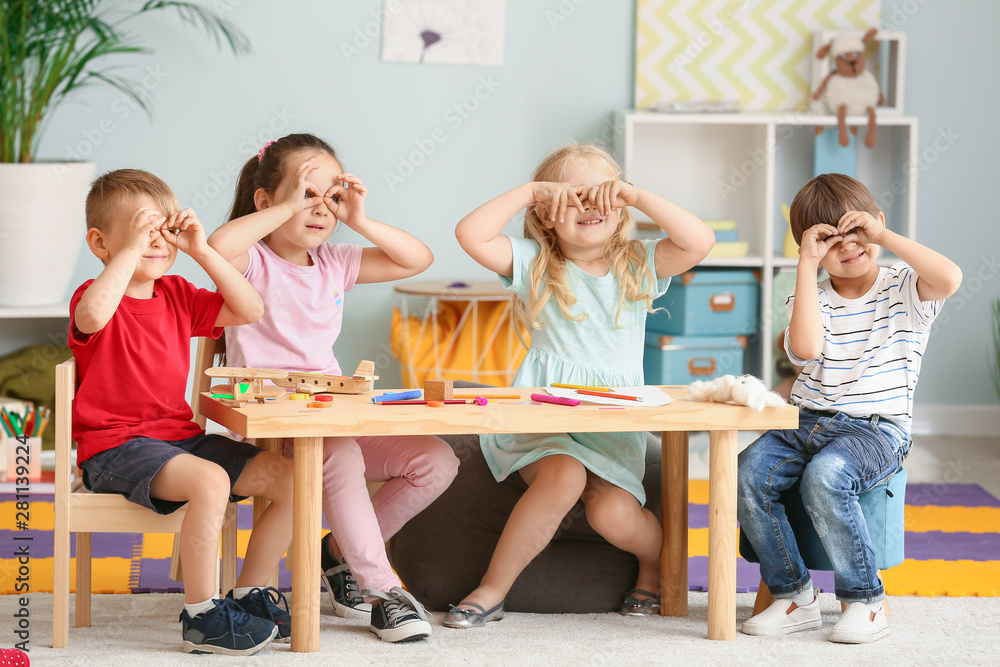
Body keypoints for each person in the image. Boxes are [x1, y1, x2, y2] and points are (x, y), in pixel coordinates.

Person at [445, 143, 715, 628]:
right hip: (545, 417)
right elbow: (471, 233)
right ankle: (493, 589)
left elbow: (699, 241)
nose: (590, 206)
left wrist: (635, 195)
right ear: (545, 214)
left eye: (602, 195)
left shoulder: (639, 262)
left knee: (611, 512)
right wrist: (530, 190)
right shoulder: (533, 262)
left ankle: (652, 565)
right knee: (565, 474)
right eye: (572, 198)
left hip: (611, 425)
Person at [208, 133, 459, 643]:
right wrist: (283, 208)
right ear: (265, 202)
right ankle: (382, 592)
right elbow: (217, 246)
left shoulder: (336, 262)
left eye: (332, 197)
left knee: (436, 460)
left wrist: (360, 219)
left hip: (332, 417)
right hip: (267, 427)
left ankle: (340, 557)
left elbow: (417, 259)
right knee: (339, 454)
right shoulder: (251, 261)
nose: (322, 208)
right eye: (307, 195)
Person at [70, 169, 296, 655]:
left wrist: (201, 250)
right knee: (211, 479)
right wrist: (129, 250)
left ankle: (250, 592)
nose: (155, 241)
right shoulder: (94, 298)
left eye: (161, 231)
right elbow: (91, 317)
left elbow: (251, 308)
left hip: (177, 439)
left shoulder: (176, 294)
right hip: (113, 448)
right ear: (100, 242)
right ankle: (202, 616)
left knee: (293, 479)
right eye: (140, 231)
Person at [737, 173, 962, 643]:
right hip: (804, 421)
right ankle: (794, 595)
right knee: (747, 471)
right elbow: (805, 347)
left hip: (877, 429)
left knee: (826, 476)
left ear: (875, 226)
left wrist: (883, 236)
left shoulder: (905, 287)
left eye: (856, 234)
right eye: (828, 241)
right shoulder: (809, 297)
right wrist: (805, 261)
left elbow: (949, 277)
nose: (847, 247)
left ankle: (865, 600)